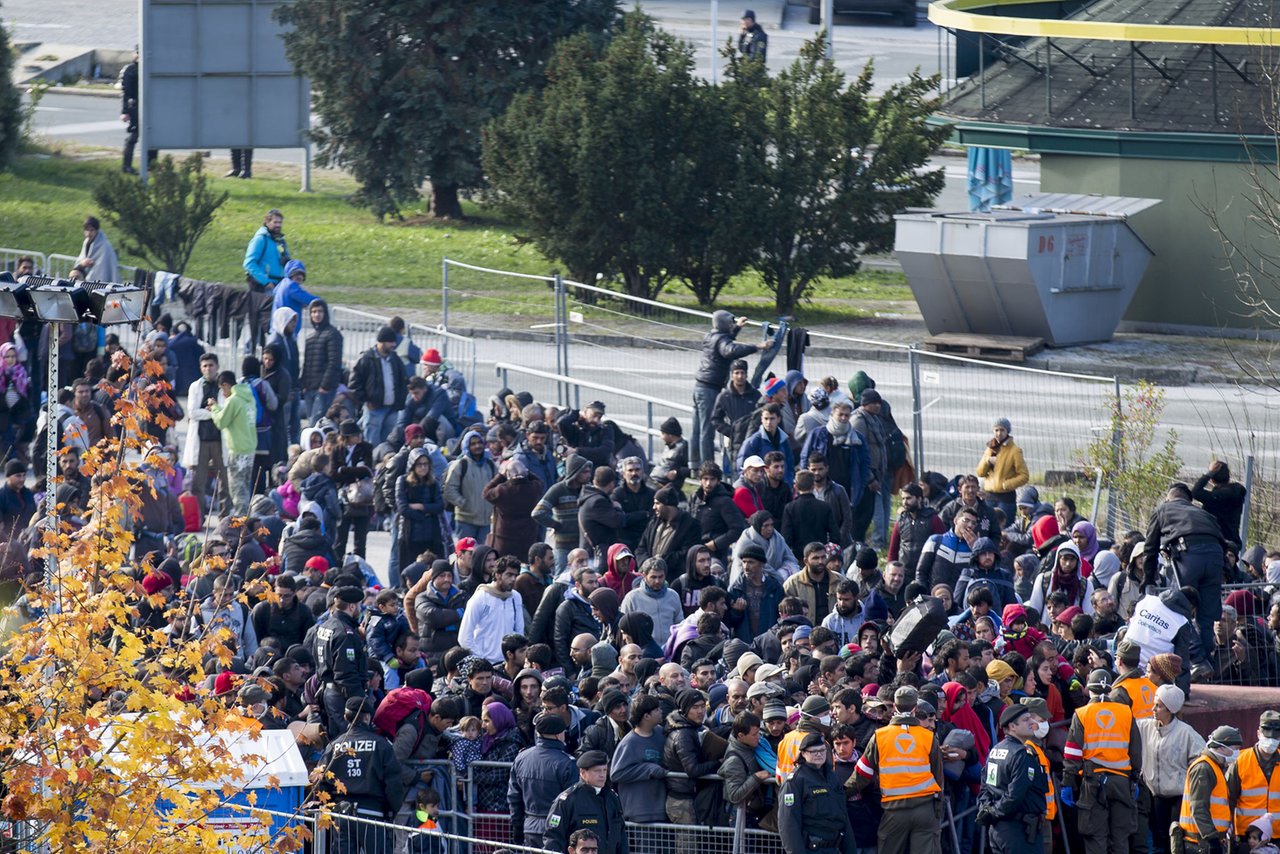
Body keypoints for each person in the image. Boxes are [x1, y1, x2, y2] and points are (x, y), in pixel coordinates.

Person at [848, 686, 943, 854]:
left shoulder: (880, 736)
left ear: (895, 706)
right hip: (925, 809)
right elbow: (938, 777)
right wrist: (937, 808)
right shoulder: (928, 737)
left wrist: (841, 792)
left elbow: (863, 774)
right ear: (915, 708)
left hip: (894, 811)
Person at [1144, 483, 1227, 662]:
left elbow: (1150, 548)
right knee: (1207, 618)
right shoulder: (1205, 514)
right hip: (1215, 558)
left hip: (1189, 557)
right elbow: (1223, 542)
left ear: (1168, 497)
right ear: (1189, 501)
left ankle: (1196, 661)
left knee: (1177, 609)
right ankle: (1207, 664)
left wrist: (1148, 579)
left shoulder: (1163, 509)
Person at [1062, 669, 1142, 854]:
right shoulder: (1126, 713)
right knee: (1120, 839)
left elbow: (1072, 753)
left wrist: (1067, 783)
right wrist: (1135, 778)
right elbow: (1136, 752)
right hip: (1122, 783)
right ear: (1110, 689)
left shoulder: (1081, 714)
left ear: (1089, 689)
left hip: (1094, 785)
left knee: (1095, 837)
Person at [313, 696, 405, 852]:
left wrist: (328, 808)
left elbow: (320, 781)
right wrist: (391, 810)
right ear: (367, 717)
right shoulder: (381, 745)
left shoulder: (334, 746)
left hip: (342, 815)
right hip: (373, 814)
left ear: (345, 717)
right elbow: (394, 784)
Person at [693, 311, 767, 468]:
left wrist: (737, 329)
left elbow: (723, 341)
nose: (731, 324)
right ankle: (707, 468)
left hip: (699, 386)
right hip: (709, 389)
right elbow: (730, 350)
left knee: (697, 429)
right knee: (707, 432)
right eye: (730, 322)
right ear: (724, 323)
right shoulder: (721, 340)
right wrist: (757, 346)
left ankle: (694, 464)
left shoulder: (710, 336)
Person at [1136, 684, 1203, 854]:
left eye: (1158, 706)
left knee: (1174, 841)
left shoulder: (1186, 733)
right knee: (1158, 840)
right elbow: (1125, 726)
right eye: (1154, 704)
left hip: (1178, 798)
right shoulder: (1146, 727)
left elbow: (1202, 758)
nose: (1153, 709)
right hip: (1155, 796)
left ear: (1170, 709)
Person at [977, 704, 1049, 854]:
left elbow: (985, 787)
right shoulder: (1021, 754)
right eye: (1025, 720)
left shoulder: (996, 750)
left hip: (999, 829)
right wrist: (994, 811)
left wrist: (988, 810)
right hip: (1019, 830)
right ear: (1012, 726)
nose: (1031, 723)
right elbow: (1015, 794)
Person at [508, 713, 578, 849]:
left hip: (530, 827)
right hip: (558, 830)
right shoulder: (567, 763)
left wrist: (516, 826)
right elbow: (573, 802)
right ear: (559, 735)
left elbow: (514, 797)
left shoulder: (521, 758)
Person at [777, 732, 854, 854]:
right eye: (813, 751)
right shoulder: (795, 782)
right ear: (803, 754)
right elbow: (788, 824)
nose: (819, 754)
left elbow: (843, 817)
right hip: (811, 849)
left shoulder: (832, 777)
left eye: (822, 750)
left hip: (834, 847)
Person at [545, 751, 629, 854]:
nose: (602, 775)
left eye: (604, 770)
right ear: (583, 773)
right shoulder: (567, 801)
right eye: (597, 771)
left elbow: (621, 836)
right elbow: (554, 838)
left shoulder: (611, 797)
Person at [313, 586, 369, 734]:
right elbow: (345, 672)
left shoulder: (324, 626)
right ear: (352, 606)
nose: (360, 609)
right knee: (350, 739)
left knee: (336, 738)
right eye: (358, 605)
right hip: (343, 695)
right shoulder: (345, 633)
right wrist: (360, 700)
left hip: (328, 691)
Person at [1178, 726, 1242, 854]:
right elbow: (1198, 808)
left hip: (1207, 841)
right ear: (1223, 747)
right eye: (1235, 749)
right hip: (1200, 843)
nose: (1237, 753)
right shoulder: (1204, 768)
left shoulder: (1215, 767)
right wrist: (1212, 839)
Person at [458, 556, 524, 664]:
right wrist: (482, 659)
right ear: (498, 575)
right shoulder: (480, 597)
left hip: (509, 664)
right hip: (486, 665)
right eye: (509, 575)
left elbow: (519, 633)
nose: (513, 579)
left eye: (515, 575)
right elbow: (464, 637)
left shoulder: (515, 597)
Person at [349, 326, 408, 448]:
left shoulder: (395, 359)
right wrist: (366, 401)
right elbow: (354, 384)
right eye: (390, 342)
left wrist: (400, 402)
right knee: (371, 443)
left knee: (387, 444)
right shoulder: (366, 359)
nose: (393, 344)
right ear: (381, 341)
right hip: (374, 409)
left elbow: (403, 381)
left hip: (392, 409)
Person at [1228, 711, 1280, 845]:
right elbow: (1228, 798)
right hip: (1247, 838)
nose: (1270, 742)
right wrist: (1227, 829)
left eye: (1275, 738)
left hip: (1277, 836)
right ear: (1258, 733)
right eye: (1267, 737)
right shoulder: (1241, 761)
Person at [209, 370, 256, 516]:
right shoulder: (249, 397)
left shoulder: (234, 400)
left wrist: (214, 407)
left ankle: (241, 525)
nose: (222, 393)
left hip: (237, 450)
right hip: (250, 448)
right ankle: (247, 520)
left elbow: (221, 421)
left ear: (225, 385)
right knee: (245, 489)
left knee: (237, 491)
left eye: (222, 389)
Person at [976, 417, 1029, 524]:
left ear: (1007, 431)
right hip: (989, 496)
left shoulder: (1015, 451)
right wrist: (988, 461)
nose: (999, 433)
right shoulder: (990, 448)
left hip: (1005, 498)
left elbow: (1024, 476)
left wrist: (1007, 484)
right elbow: (980, 472)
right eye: (996, 430)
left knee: (1005, 528)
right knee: (986, 526)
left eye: (1002, 430)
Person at [300, 299, 344, 424]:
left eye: (320, 311)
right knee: (311, 423)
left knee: (318, 423)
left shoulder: (333, 334)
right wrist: (303, 385)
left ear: (325, 313)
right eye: (313, 312)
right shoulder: (310, 337)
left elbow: (334, 362)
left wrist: (325, 386)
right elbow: (306, 364)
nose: (317, 315)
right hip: (309, 388)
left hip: (324, 389)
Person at [1191, 460, 1247, 549]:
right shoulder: (1235, 492)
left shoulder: (1218, 496)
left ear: (1212, 479)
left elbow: (1195, 492)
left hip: (1217, 541)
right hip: (1232, 541)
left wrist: (1209, 473)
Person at [243, 209, 290, 292]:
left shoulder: (280, 240)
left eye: (280, 222)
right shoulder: (260, 239)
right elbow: (249, 264)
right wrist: (266, 282)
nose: (278, 225)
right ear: (267, 223)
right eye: (275, 222)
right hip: (263, 287)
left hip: (279, 285)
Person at [119, 48, 141, 174]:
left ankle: (151, 164)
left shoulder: (148, 67)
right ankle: (126, 166)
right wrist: (125, 111)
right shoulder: (131, 69)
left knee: (152, 137)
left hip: (147, 105)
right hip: (135, 106)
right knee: (134, 135)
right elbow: (126, 93)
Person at [78, 216, 119, 283]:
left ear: (96, 230)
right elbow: (81, 259)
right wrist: (83, 263)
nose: (88, 233)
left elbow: (102, 266)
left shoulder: (104, 245)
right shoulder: (86, 242)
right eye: (87, 230)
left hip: (99, 282)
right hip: (85, 279)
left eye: (91, 230)